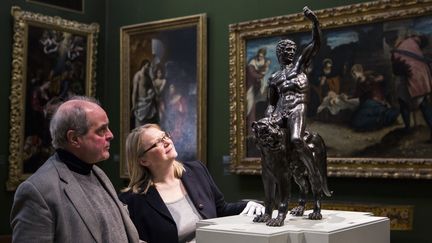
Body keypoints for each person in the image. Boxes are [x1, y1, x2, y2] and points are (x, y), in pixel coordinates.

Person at [10, 96, 140, 243]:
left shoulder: (98, 173)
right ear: (74, 138)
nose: (110, 135)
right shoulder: (37, 191)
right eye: (101, 130)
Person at [119, 124, 264, 243]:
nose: (167, 142)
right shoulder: (132, 200)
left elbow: (221, 210)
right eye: (157, 143)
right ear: (143, 160)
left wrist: (247, 205)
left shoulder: (196, 171)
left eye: (165, 136)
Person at [265, 7, 322, 186]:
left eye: (292, 49)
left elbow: (315, 44)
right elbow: (271, 103)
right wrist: (269, 117)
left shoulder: (299, 66)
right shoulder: (274, 78)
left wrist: (315, 22)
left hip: (297, 107)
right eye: (286, 50)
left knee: (296, 139)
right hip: (281, 111)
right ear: (279, 54)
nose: (289, 52)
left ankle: (314, 174)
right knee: (265, 140)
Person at [391, 34, 432, 139]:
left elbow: (396, 67)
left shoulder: (406, 43)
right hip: (416, 76)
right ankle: (409, 128)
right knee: (418, 103)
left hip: (410, 76)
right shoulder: (412, 44)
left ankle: (408, 128)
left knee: (412, 103)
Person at [131, 59, 159, 127]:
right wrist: (134, 105)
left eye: (149, 66)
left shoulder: (148, 76)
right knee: (139, 126)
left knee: (148, 125)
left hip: (148, 103)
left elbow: (154, 89)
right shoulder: (138, 76)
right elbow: (135, 92)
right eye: (147, 66)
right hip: (140, 104)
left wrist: (152, 79)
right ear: (143, 66)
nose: (148, 68)